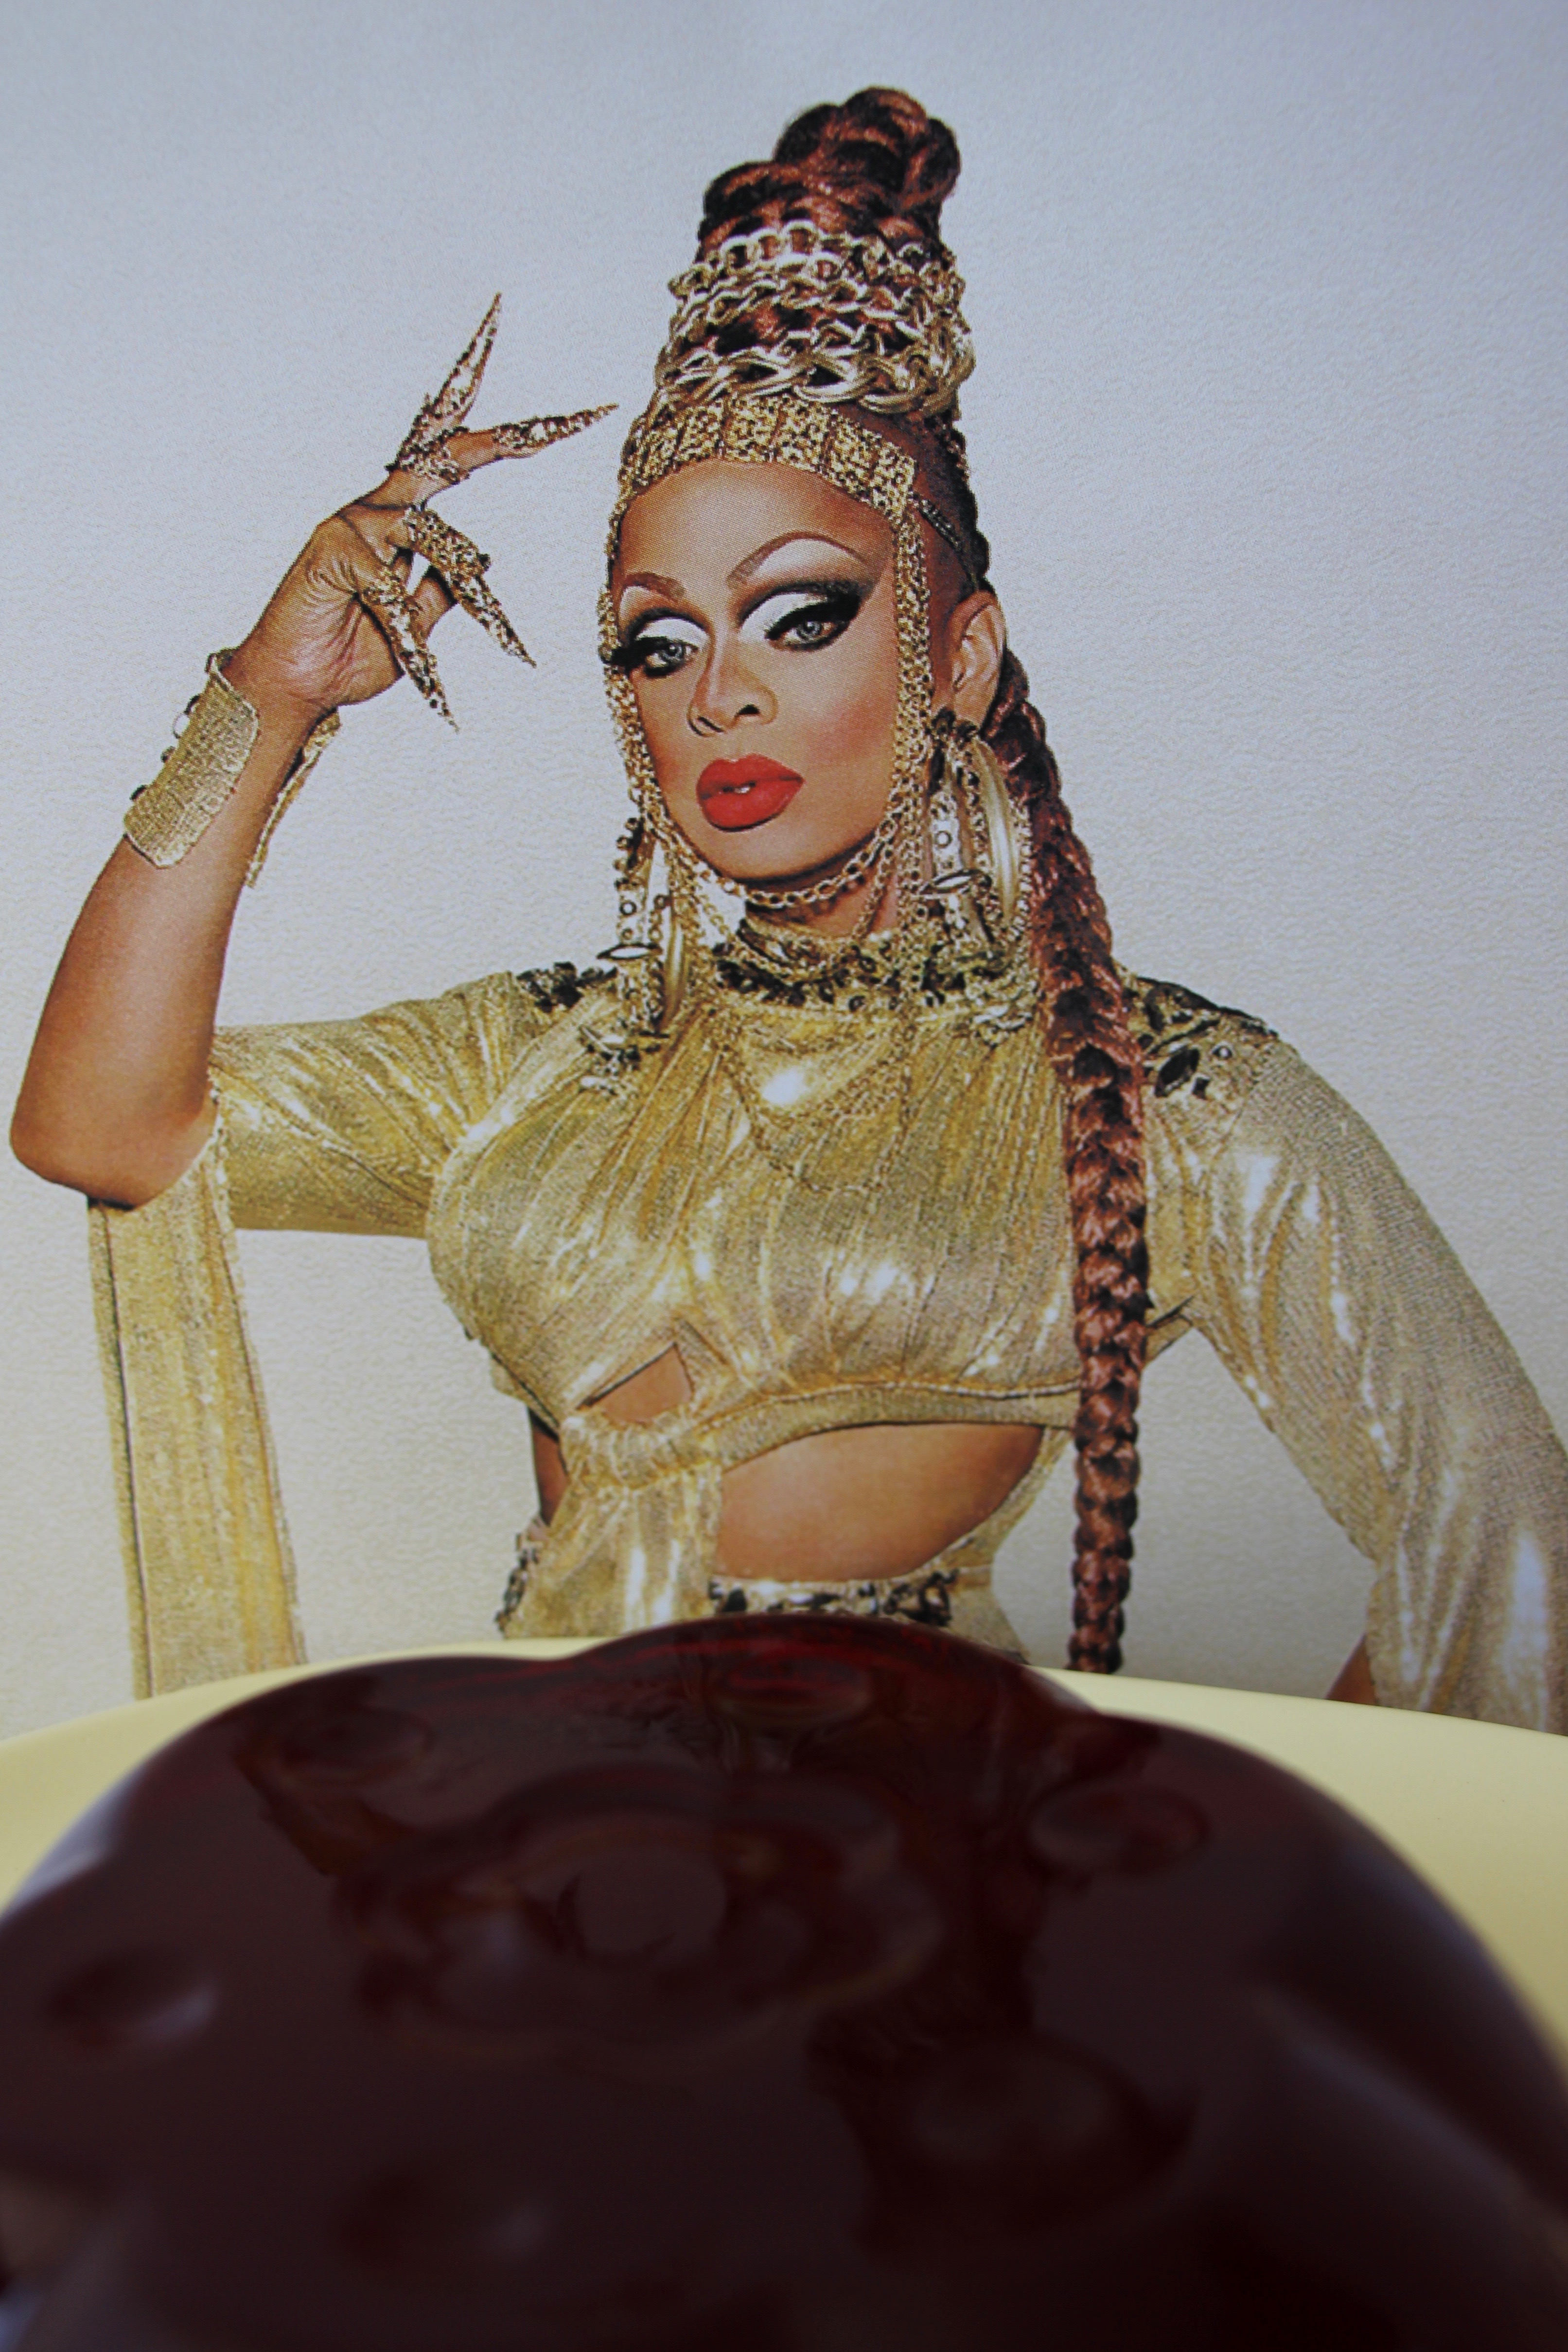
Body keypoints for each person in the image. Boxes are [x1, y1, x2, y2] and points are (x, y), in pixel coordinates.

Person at [12, 90, 1567, 1727]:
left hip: (924, 1838)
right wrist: (268, 702)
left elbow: (1507, 1543)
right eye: (658, 642)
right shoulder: (548, 1054)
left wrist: (1249, 1854)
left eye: (800, 615)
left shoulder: (1157, 1091)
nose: (720, 696)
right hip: (545, 1818)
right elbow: (101, 1125)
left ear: (958, 654)